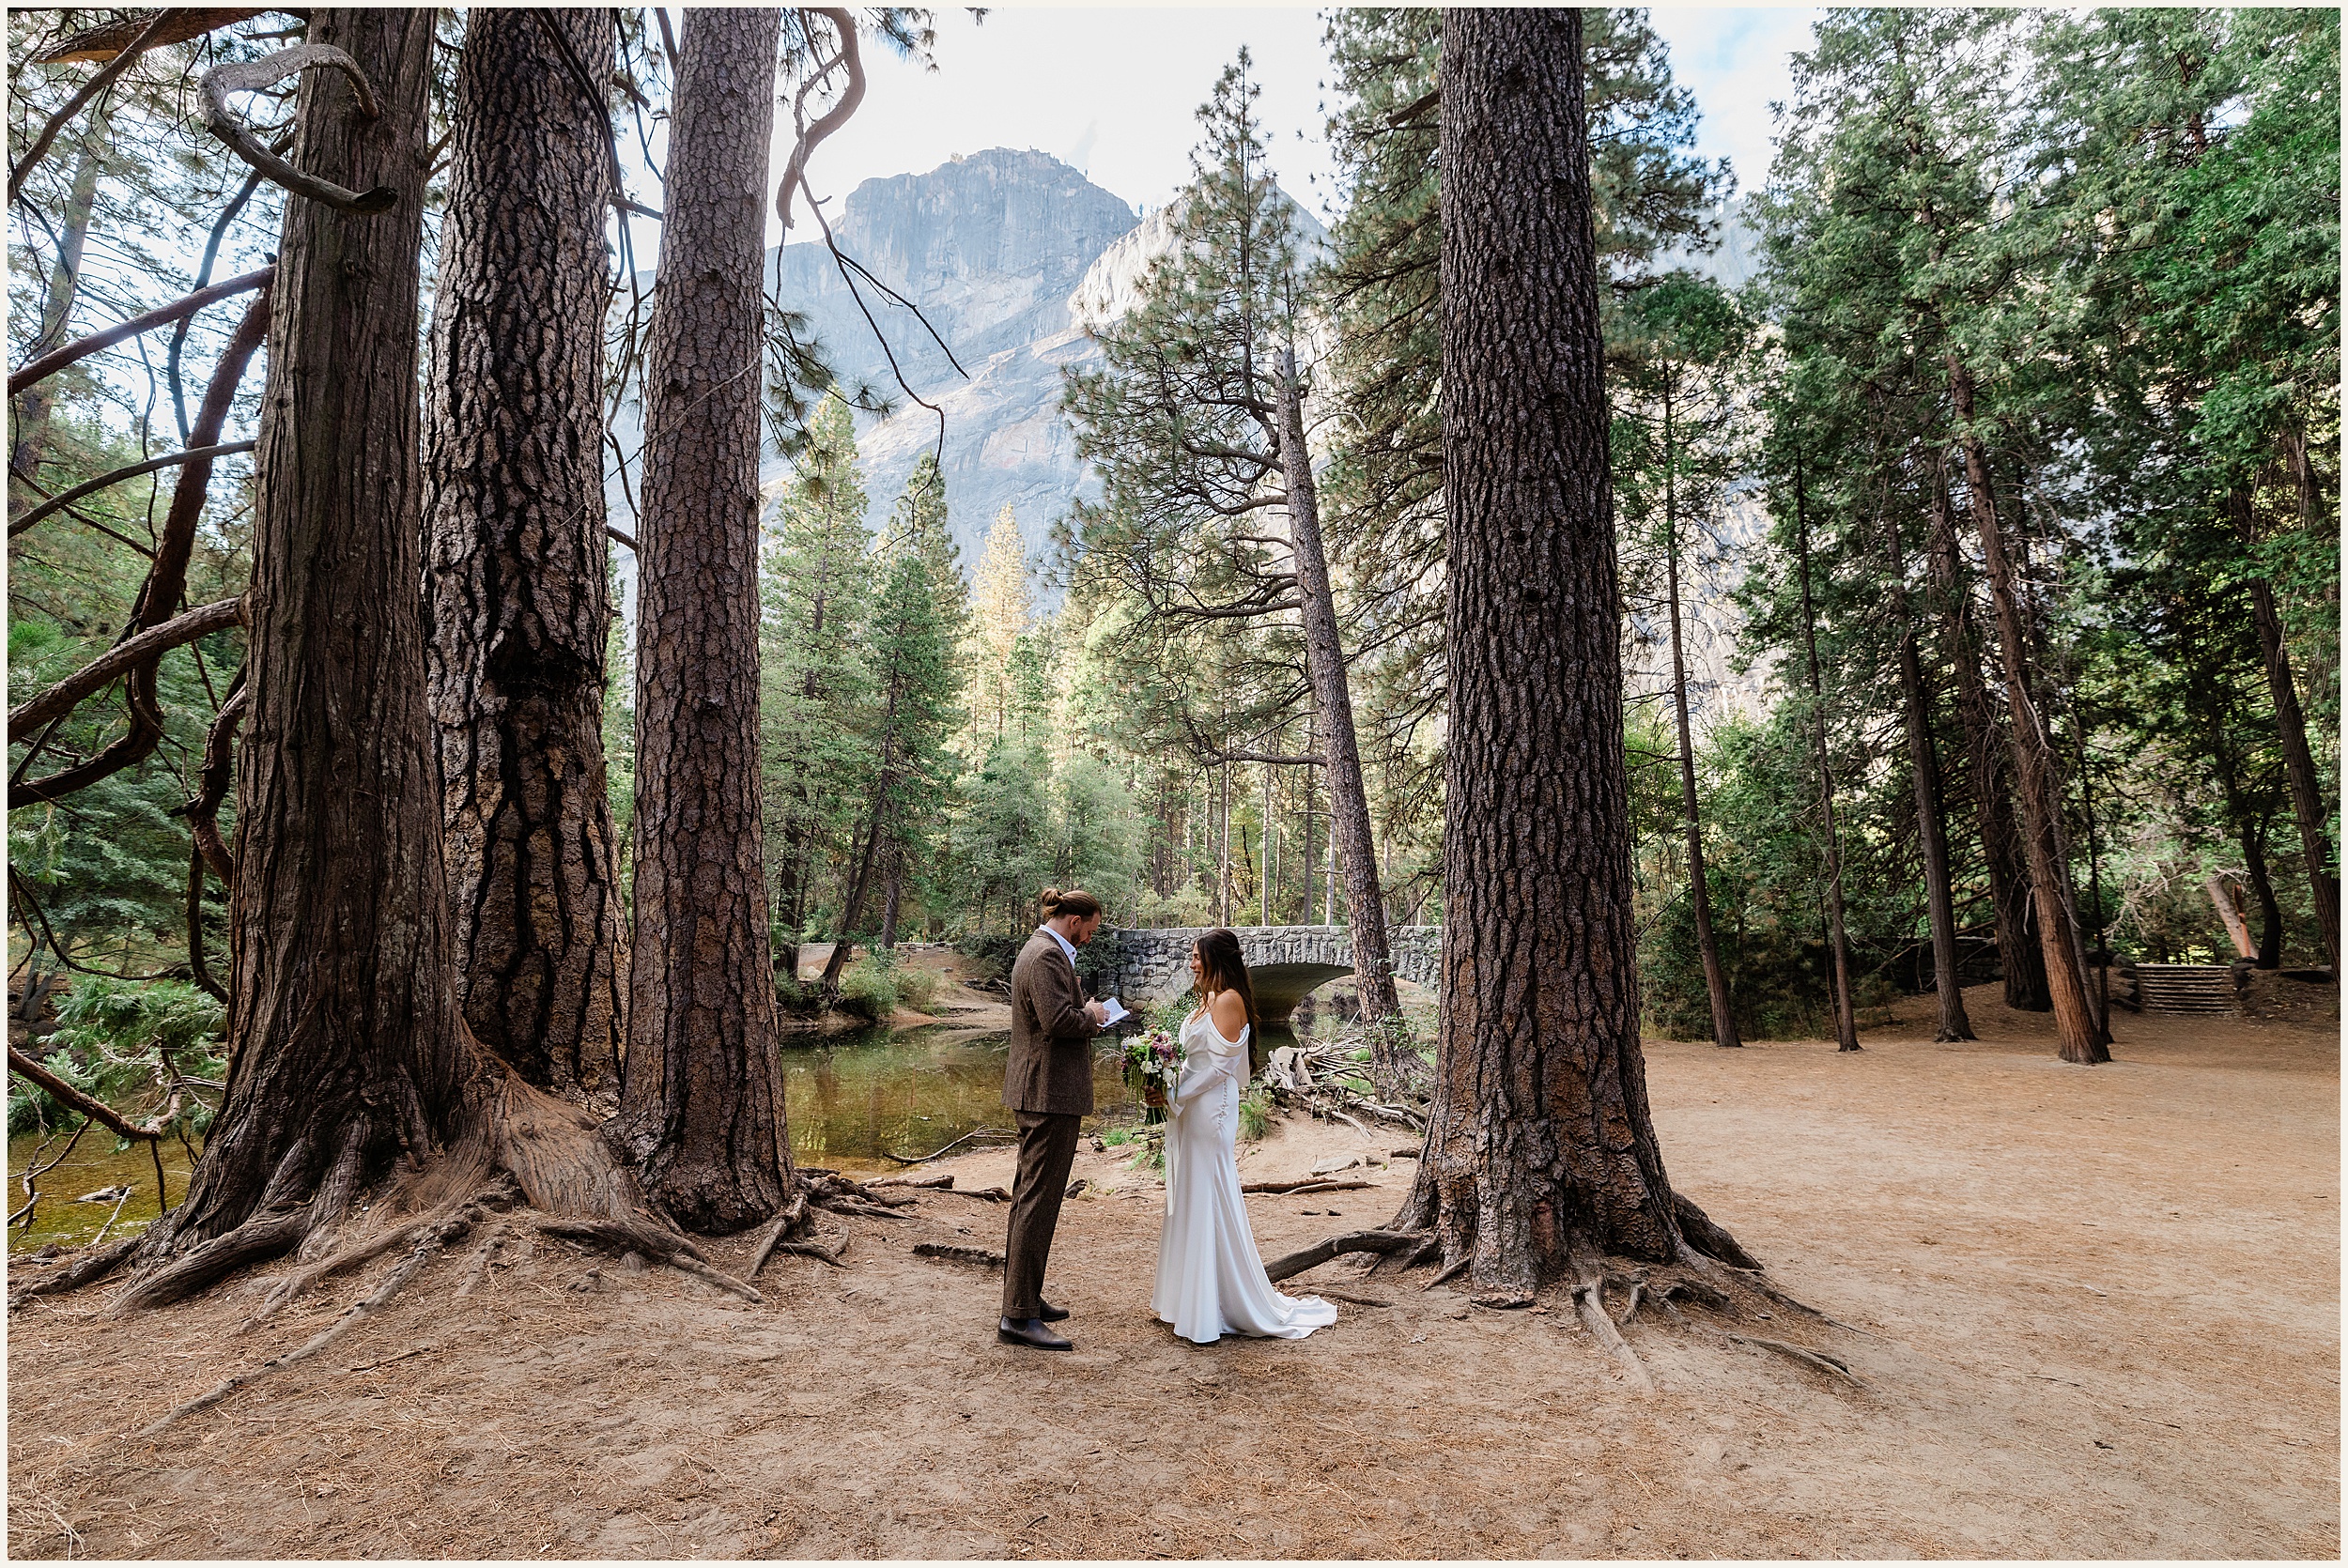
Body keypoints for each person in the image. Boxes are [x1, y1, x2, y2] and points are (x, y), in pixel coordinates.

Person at [1151, 928, 1337, 1345]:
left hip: (1209, 1110)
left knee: (1207, 1193)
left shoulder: (1229, 999)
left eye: (1198, 956)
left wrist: (1171, 1092)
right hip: (1189, 1106)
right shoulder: (1206, 1002)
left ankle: (1214, 1306)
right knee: (1190, 1195)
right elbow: (1195, 1059)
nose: (1192, 962)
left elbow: (1219, 1070)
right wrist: (1164, 1080)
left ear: (1216, 959)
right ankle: (1188, 1300)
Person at [997, 886, 1111, 1351]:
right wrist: (1095, 1014)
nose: (1090, 937)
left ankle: (1025, 1296)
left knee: (1033, 1198)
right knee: (1037, 1202)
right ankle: (1018, 1317)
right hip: (1047, 1095)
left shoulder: (1044, 949)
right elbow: (1058, 1021)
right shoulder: (1045, 955)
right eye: (1091, 927)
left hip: (1044, 1092)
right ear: (1074, 919)